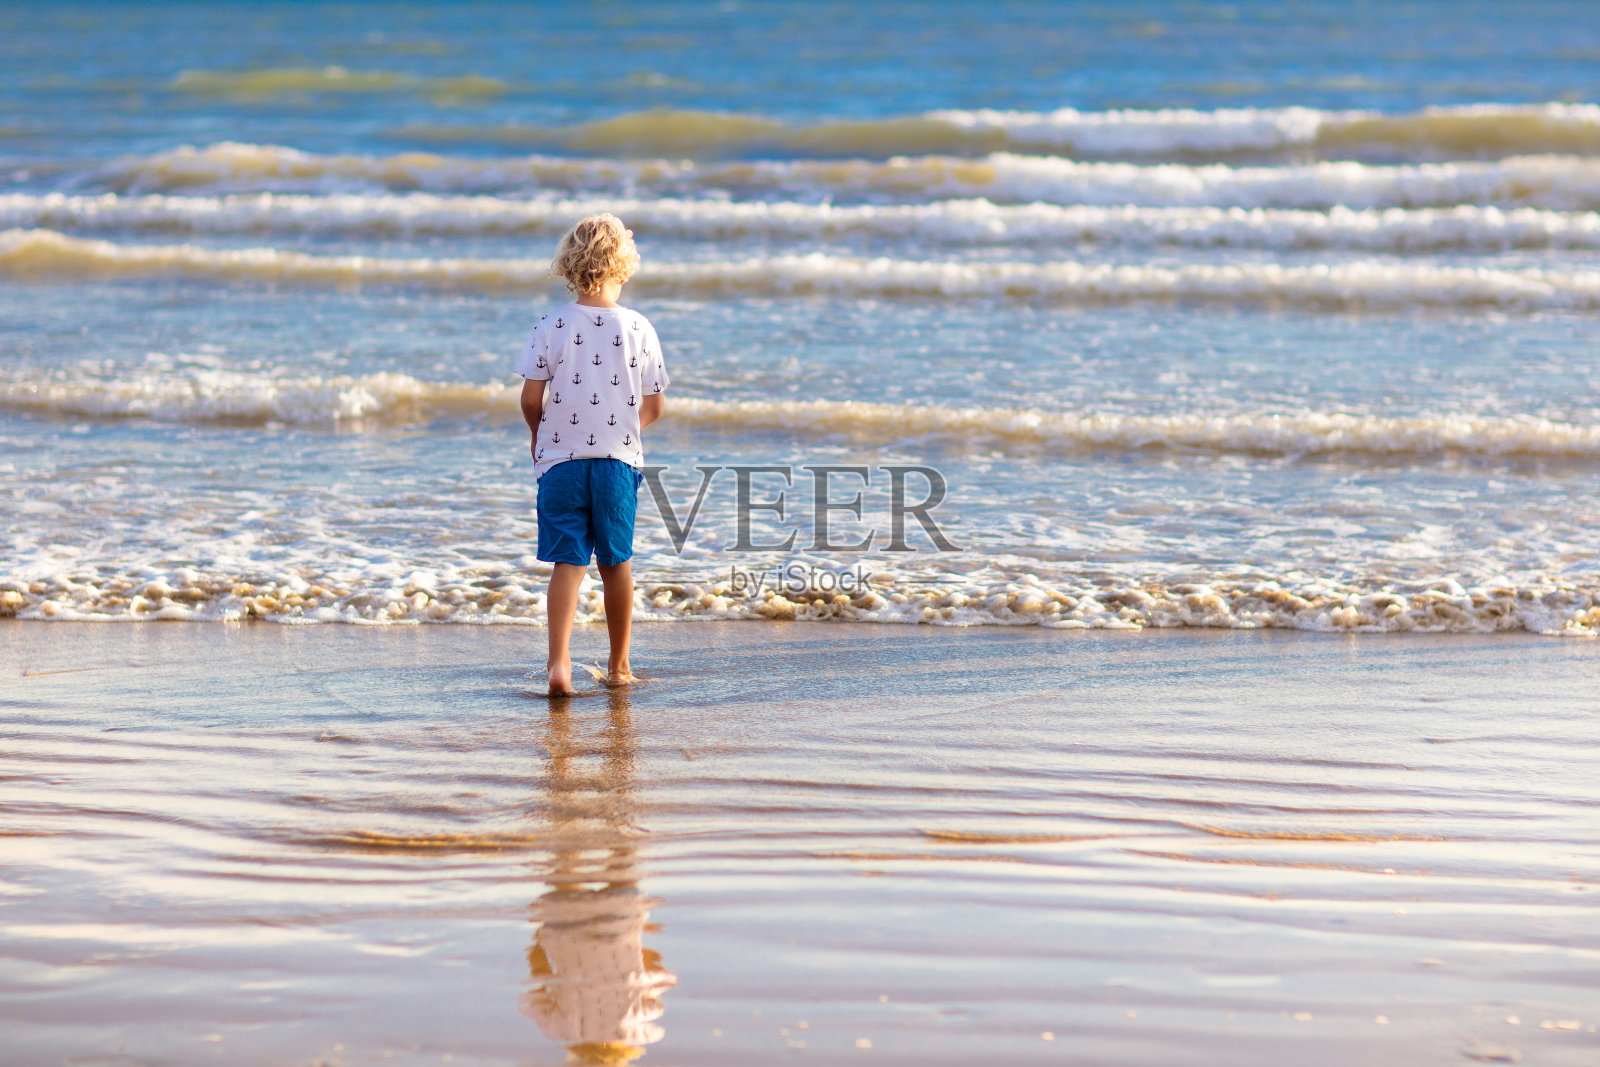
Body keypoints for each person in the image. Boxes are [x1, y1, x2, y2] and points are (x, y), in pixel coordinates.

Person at [515, 214, 668, 696]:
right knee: (616, 563)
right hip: (617, 465)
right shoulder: (639, 327)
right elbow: (655, 406)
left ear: (568, 266)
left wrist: (539, 435)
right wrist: (619, 431)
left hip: (561, 463)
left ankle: (558, 664)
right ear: (624, 266)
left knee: (568, 562)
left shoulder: (551, 325)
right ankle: (619, 666)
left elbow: (530, 400)